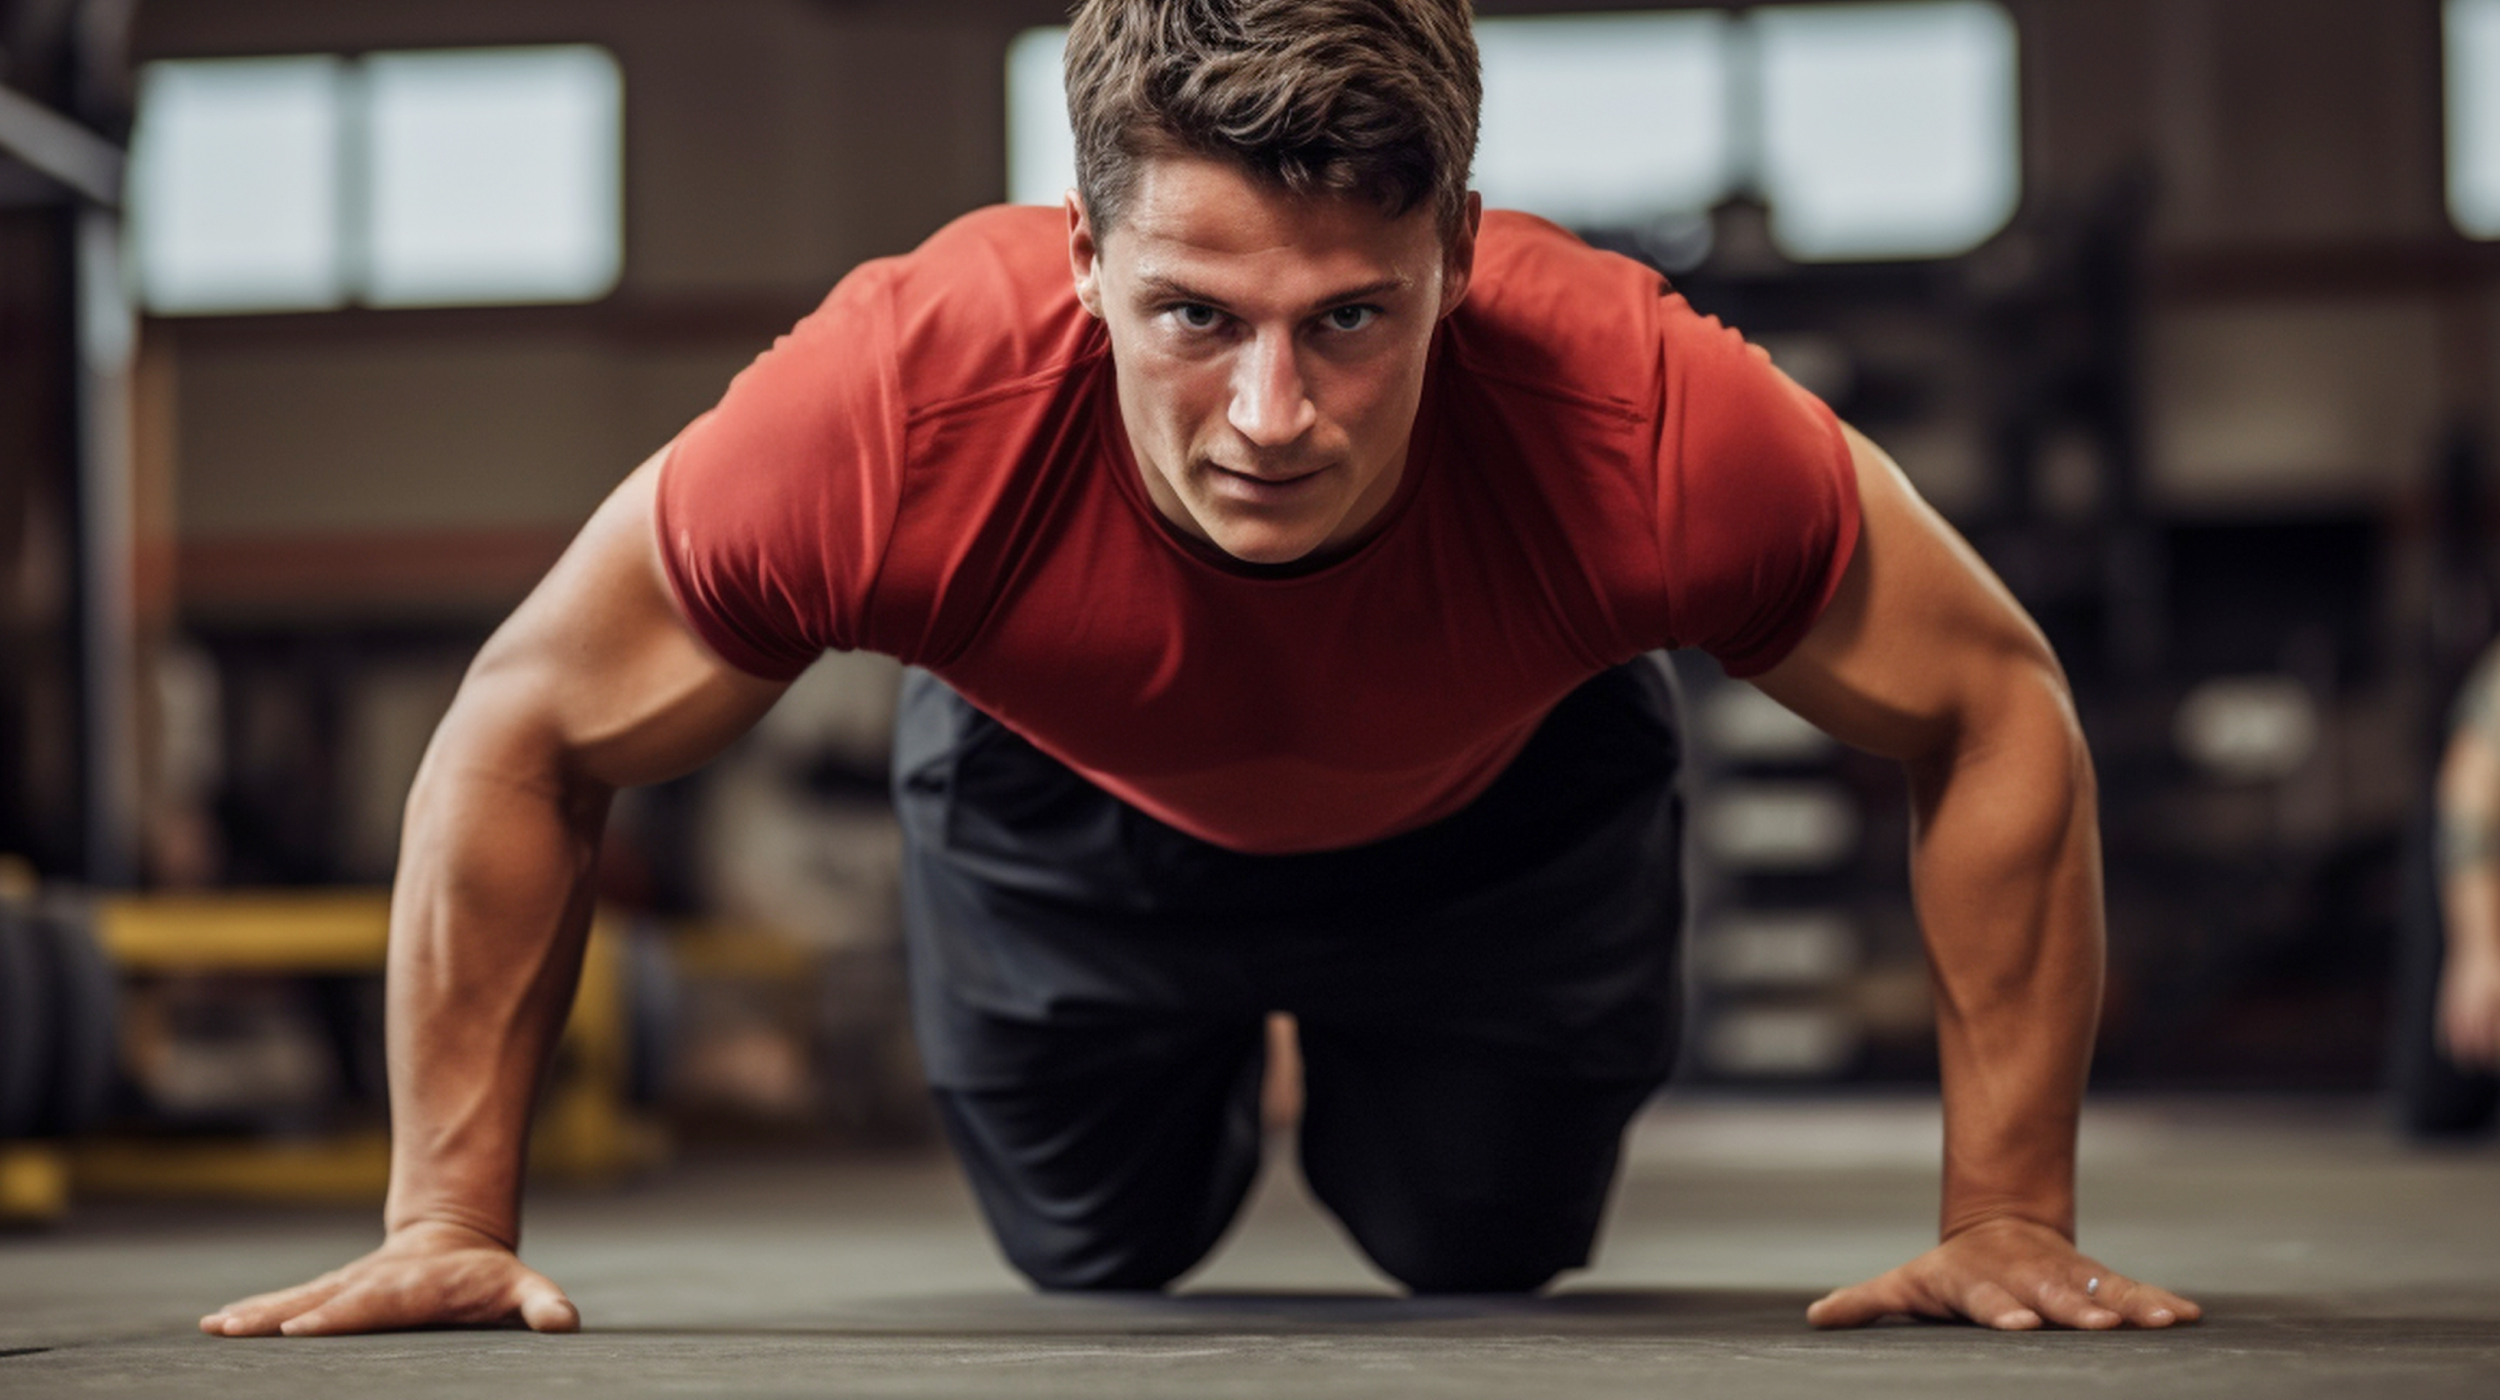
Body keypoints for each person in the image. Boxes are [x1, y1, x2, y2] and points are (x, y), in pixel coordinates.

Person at [200, 0, 2197, 1337]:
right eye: (1188, 312)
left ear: (1463, 259)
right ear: (1074, 252)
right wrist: (444, 1216)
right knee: (1106, 1252)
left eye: (1350, 319)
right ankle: (1218, 1036)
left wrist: (2002, 1204)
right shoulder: (896, 408)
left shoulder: (1635, 411)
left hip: (1497, 822)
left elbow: (1989, 698)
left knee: (1470, 1251)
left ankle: (1347, 1038)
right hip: (1065, 807)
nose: (1268, 413)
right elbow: (523, 730)